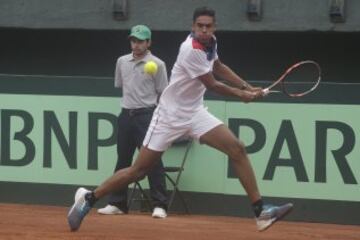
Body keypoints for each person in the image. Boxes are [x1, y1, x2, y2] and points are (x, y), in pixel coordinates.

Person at [68, 7, 293, 232]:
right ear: (193, 27)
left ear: (214, 28)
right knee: (138, 170)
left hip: (194, 113)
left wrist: (245, 85)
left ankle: (260, 212)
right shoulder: (191, 49)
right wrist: (242, 96)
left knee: (237, 149)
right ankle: (89, 198)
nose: (204, 30)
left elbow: (218, 66)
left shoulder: (211, 42)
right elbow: (212, 83)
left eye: (208, 26)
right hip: (168, 116)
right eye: (200, 26)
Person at [97, 25, 169, 218]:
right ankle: (117, 203)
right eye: (133, 41)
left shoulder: (158, 64)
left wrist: (160, 117)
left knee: (152, 161)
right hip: (126, 116)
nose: (136, 45)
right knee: (123, 160)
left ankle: (159, 205)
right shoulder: (121, 61)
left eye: (140, 41)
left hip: (147, 116)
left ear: (148, 42)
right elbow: (120, 84)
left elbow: (164, 92)